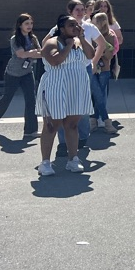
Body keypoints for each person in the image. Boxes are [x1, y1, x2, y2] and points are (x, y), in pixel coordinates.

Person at [44, 0, 106, 155]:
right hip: (60, 76)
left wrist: (93, 62)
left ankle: (82, 139)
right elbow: (47, 48)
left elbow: (100, 46)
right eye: (77, 9)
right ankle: (62, 144)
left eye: (82, 9)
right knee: (60, 112)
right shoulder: (57, 32)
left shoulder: (88, 28)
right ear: (70, 11)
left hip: (82, 69)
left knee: (81, 107)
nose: (80, 12)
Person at [36, 15, 95, 175]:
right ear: (62, 29)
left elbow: (90, 55)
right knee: (51, 125)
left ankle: (73, 159)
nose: (76, 27)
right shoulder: (51, 42)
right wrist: (68, 45)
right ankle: (45, 163)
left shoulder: (79, 42)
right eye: (71, 25)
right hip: (56, 87)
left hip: (76, 88)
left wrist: (81, 38)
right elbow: (55, 61)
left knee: (72, 124)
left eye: (77, 25)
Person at [0, 13, 42, 139]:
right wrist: (33, 52)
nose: (29, 26)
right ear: (20, 25)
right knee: (7, 98)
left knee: (31, 99)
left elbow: (40, 53)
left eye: (31, 23)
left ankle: (30, 130)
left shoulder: (33, 38)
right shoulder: (15, 38)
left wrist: (32, 53)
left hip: (27, 72)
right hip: (13, 73)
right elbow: (20, 54)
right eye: (26, 23)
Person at [89, 12, 117, 134]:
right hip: (91, 67)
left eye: (95, 23)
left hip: (104, 68)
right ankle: (107, 121)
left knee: (99, 95)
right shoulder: (90, 34)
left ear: (101, 23)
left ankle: (93, 121)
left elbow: (110, 55)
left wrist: (101, 49)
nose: (92, 25)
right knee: (97, 93)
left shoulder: (110, 35)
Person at [93, 0, 123, 78]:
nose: (103, 8)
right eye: (101, 6)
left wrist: (109, 45)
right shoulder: (90, 21)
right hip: (93, 54)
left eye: (105, 6)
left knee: (104, 78)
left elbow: (120, 39)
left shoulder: (113, 23)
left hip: (107, 56)